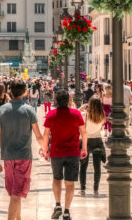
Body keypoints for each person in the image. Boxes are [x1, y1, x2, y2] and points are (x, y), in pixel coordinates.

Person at [0, 79, 45, 220]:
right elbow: (38, 135)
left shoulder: (1, 110)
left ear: (9, 91)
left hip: (7, 156)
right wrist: (45, 150)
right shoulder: (29, 110)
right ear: (25, 92)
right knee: (16, 195)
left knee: (13, 193)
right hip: (23, 156)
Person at [41, 89, 87, 220]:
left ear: (56, 101)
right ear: (68, 101)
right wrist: (84, 148)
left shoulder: (51, 114)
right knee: (70, 183)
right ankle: (66, 211)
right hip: (72, 152)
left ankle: (57, 205)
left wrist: (45, 150)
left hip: (56, 152)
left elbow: (46, 134)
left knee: (57, 179)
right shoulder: (76, 114)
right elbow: (83, 132)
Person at [78, 97, 106, 195]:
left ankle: (82, 189)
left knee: (83, 167)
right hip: (97, 141)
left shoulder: (84, 115)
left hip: (85, 141)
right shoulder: (102, 116)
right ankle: (96, 189)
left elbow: (75, 115)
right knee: (97, 167)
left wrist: (81, 108)